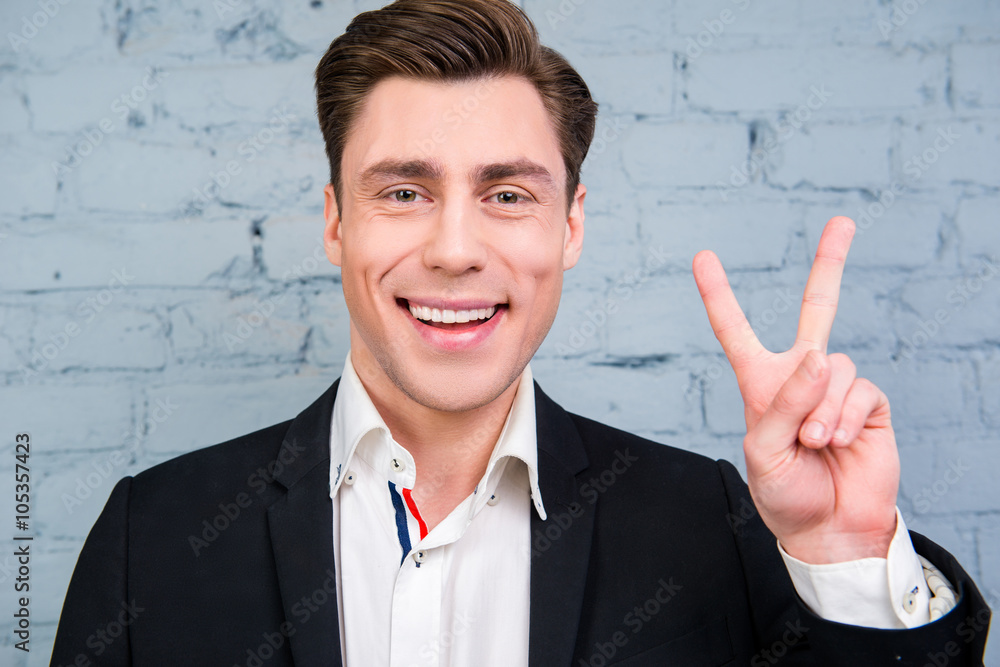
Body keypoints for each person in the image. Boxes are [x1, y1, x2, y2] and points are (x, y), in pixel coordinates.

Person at [50, 1, 990, 665]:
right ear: (335, 220)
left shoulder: (712, 525)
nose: (455, 249)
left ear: (570, 225)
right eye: (405, 191)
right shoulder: (154, 537)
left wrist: (845, 555)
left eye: (507, 194)